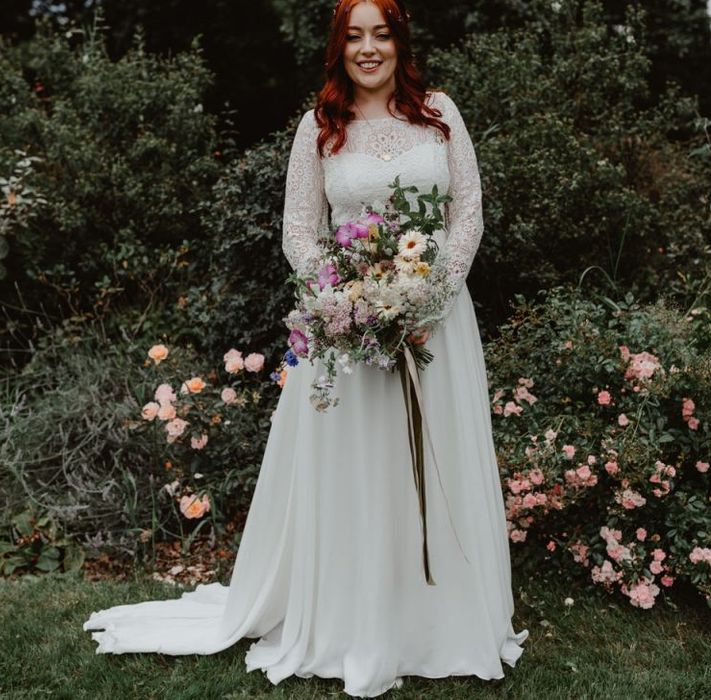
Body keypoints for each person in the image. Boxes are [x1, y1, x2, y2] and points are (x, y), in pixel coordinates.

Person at [82, 0, 529, 696]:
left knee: (435, 455)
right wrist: (346, 301)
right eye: (355, 36)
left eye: (381, 34)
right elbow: (299, 229)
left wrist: (431, 297)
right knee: (357, 466)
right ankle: (355, 618)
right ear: (338, 48)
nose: (369, 48)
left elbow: (466, 208)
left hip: (438, 321)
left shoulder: (440, 112)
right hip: (346, 329)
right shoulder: (318, 128)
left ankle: (443, 618)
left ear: (399, 41)